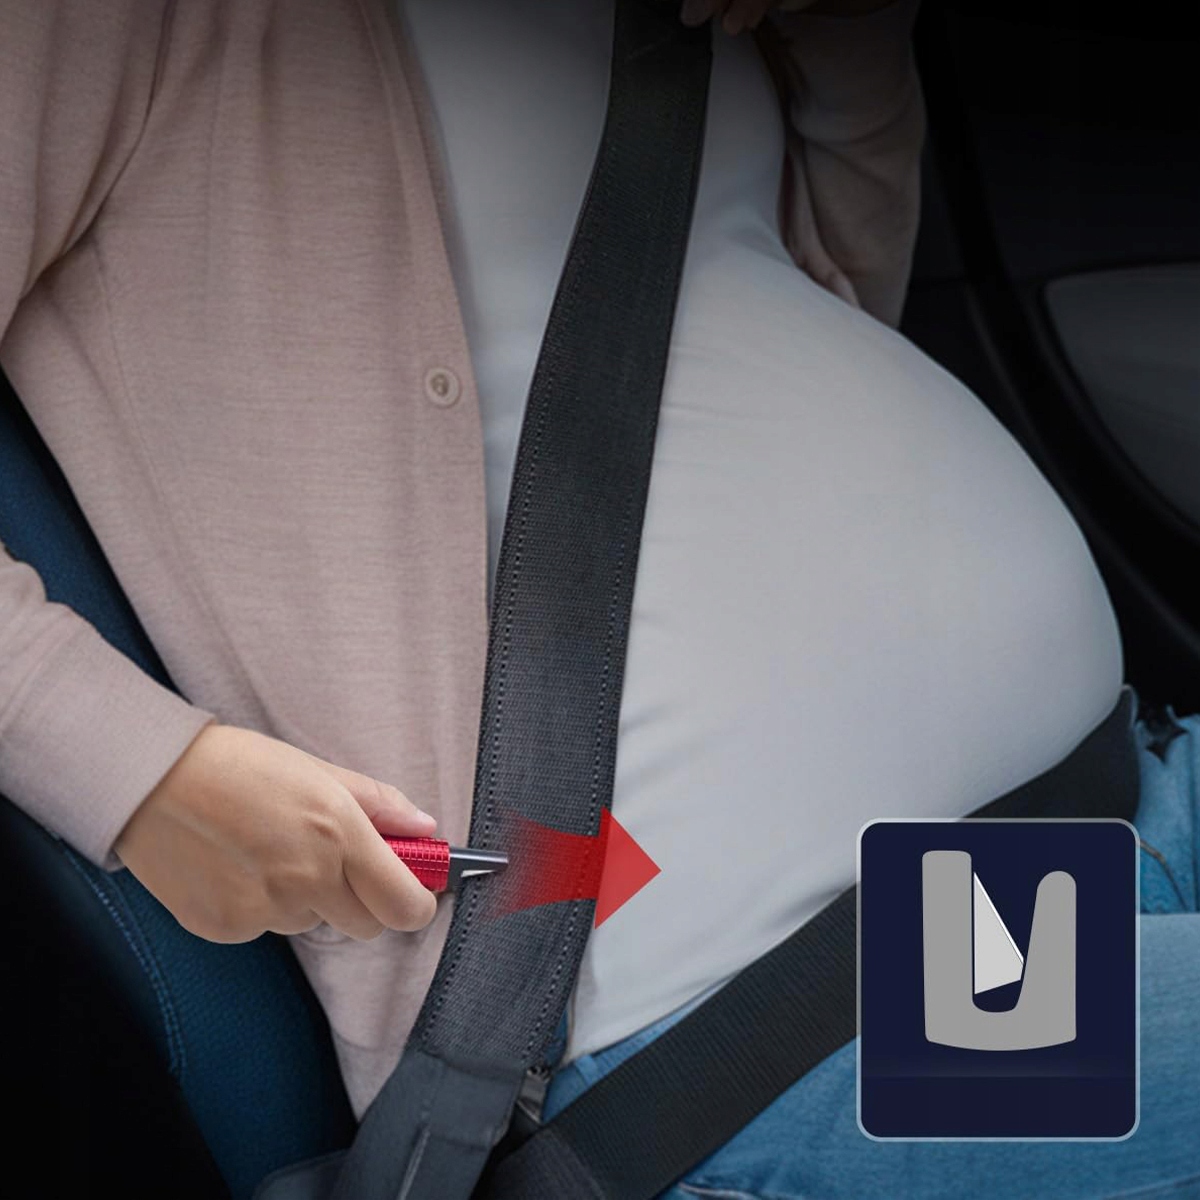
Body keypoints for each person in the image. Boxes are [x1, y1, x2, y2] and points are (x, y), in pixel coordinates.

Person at [2, 1, 1198, 1197]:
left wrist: (839, 30)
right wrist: (150, 777)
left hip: (1114, 799)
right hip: (787, 1017)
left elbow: (832, 294)